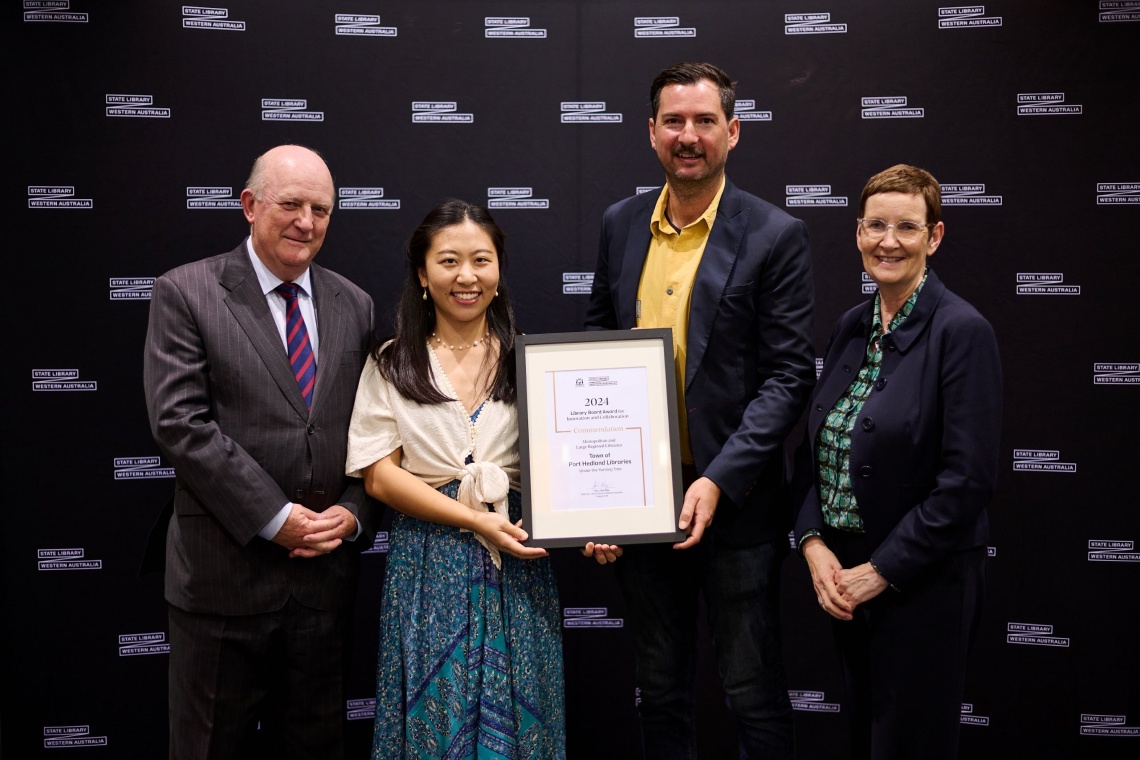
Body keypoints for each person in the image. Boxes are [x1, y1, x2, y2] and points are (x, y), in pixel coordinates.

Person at [583, 62, 815, 758]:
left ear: (733, 131)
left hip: (736, 503)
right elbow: (596, 346)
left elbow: (786, 378)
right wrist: (595, 496)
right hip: (641, 499)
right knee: (658, 686)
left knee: (750, 689)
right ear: (651, 132)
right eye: (675, 122)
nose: (690, 136)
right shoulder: (621, 224)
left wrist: (717, 479)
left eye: (705, 121)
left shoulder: (776, 236)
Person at [143, 144, 380, 759]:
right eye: (292, 204)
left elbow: (373, 433)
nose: (308, 221)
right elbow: (180, 424)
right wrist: (275, 520)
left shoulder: (354, 305)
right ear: (250, 206)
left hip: (323, 585)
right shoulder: (187, 292)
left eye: (322, 209)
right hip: (223, 581)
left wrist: (354, 511)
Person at [793, 164, 1002, 759]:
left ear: (934, 237)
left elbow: (967, 483)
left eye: (907, 227)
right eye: (876, 225)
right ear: (858, 233)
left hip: (921, 584)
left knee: (910, 745)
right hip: (846, 582)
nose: (889, 241)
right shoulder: (850, 327)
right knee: (865, 740)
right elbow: (817, 449)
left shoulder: (962, 330)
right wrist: (814, 545)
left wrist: (879, 570)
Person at [346, 200, 565, 758]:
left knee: (522, 716)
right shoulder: (392, 362)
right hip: (428, 566)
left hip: (517, 564)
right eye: (448, 261)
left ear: (498, 271)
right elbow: (380, 479)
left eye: (481, 260)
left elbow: (573, 465)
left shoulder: (533, 361)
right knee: (432, 721)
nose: (466, 277)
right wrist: (474, 521)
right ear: (423, 274)